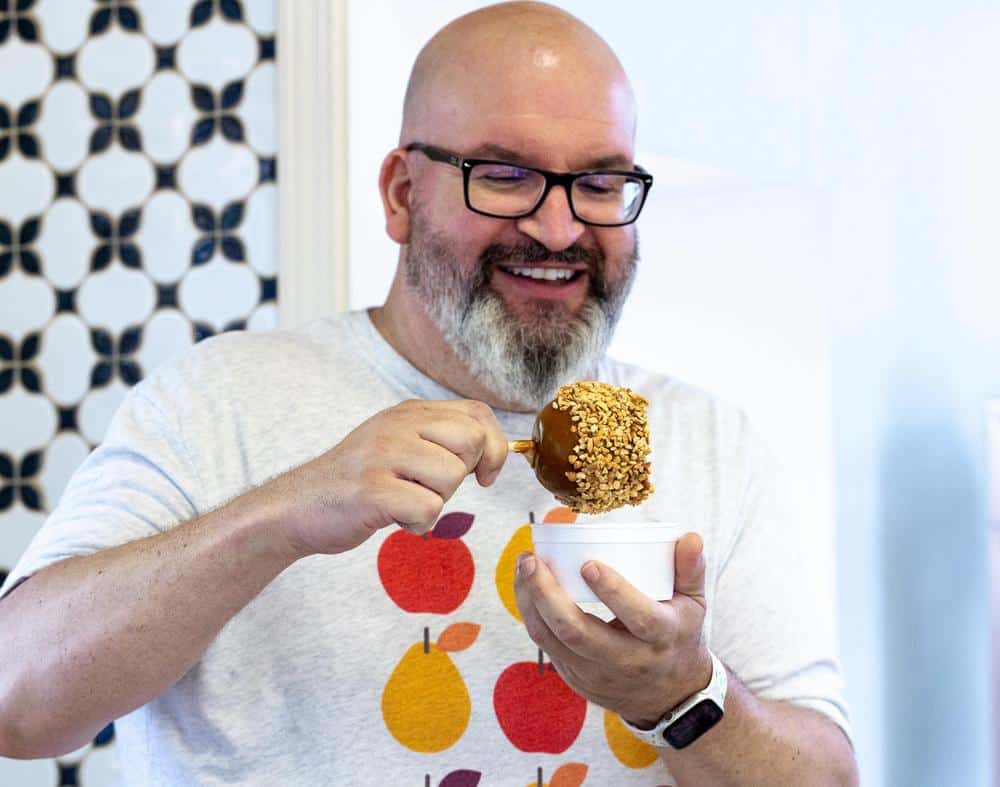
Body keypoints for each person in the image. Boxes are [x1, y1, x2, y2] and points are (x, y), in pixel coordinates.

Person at [0, 3, 858, 785]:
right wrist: (289, 510)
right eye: (505, 174)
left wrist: (686, 693)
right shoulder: (220, 400)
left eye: (599, 184)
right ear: (404, 195)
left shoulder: (710, 442)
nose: (559, 229)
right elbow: (17, 699)